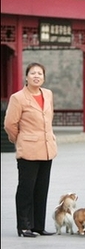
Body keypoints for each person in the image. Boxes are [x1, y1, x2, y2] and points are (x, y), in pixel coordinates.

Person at [4, 62, 57, 238]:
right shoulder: (18, 98)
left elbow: (48, 118)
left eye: (40, 74)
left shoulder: (48, 94)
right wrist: (20, 139)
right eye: (33, 73)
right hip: (28, 148)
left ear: (44, 77)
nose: (36, 76)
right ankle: (24, 226)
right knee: (26, 189)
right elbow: (10, 124)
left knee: (42, 188)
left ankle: (38, 226)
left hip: (47, 148)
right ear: (26, 77)